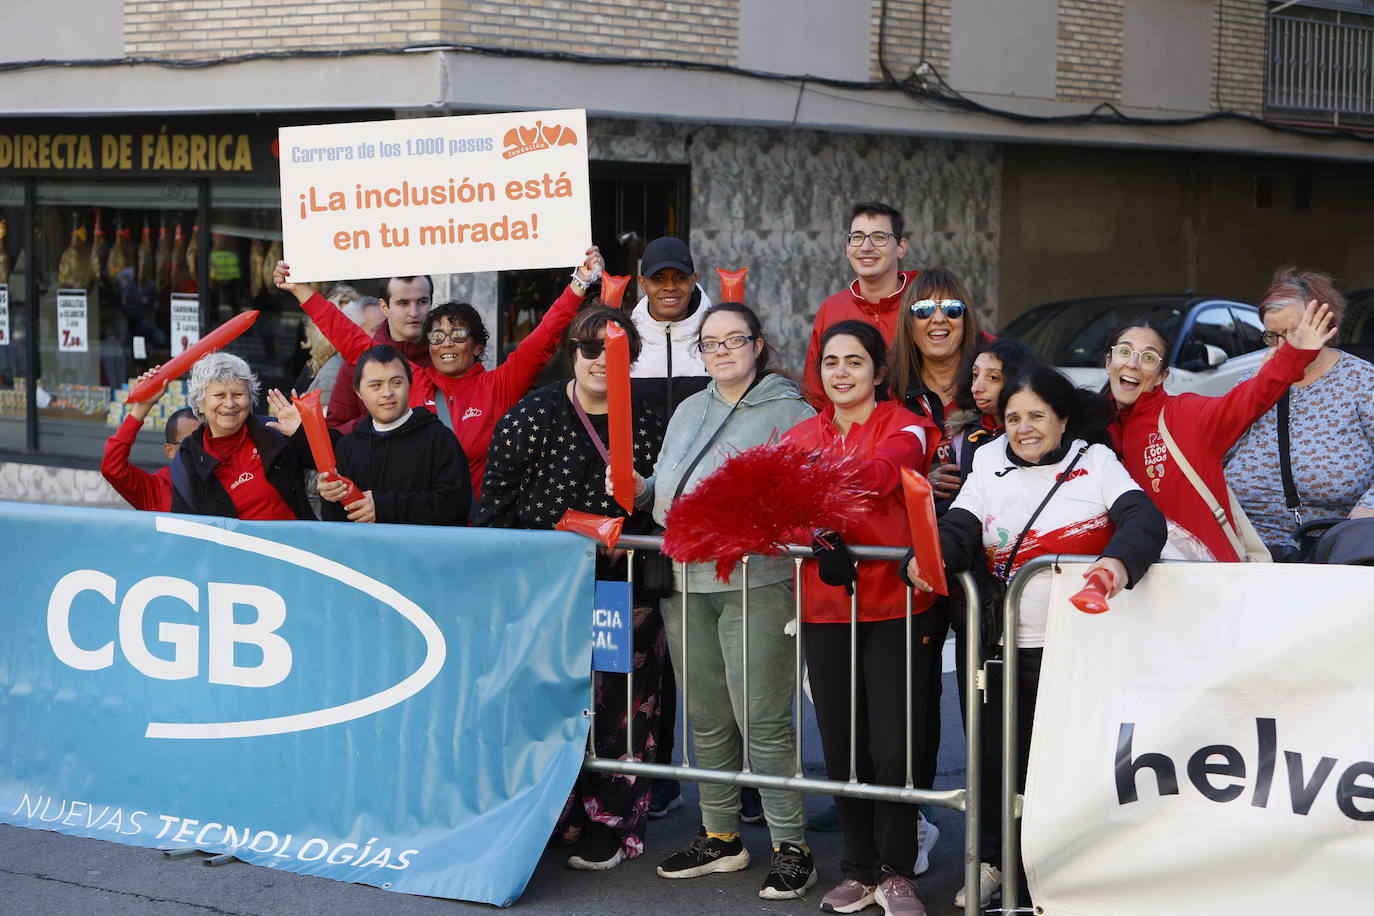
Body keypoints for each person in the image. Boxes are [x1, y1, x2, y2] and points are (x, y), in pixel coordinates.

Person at [904, 366, 1166, 909]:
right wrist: (929, 558)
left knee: (1069, 766)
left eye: (1037, 416)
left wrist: (1116, 565)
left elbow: (1144, 520)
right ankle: (994, 862)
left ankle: (1060, 872)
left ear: (1063, 419)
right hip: (998, 647)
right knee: (994, 764)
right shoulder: (988, 460)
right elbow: (961, 526)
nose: (1023, 429)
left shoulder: (1094, 461)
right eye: (1013, 417)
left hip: (1075, 649)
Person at [623, 302, 818, 901]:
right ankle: (720, 836)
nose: (723, 350)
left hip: (756, 579)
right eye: (711, 343)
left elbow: (807, 495)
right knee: (707, 716)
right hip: (687, 580)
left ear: (759, 345)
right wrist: (640, 488)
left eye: (735, 339)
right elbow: (667, 485)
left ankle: (792, 847)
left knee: (763, 718)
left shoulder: (792, 411)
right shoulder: (689, 407)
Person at [477, 307, 667, 870]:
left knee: (621, 707)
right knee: (547, 701)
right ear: (572, 353)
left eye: (613, 351)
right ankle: (555, 812)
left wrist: (636, 536)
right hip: (545, 589)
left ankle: (613, 821)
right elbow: (495, 507)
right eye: (589, 348)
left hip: (622, 590)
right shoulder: (531, 415)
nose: (599, 361)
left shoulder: (651, 421)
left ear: (632, 359)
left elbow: (672, 503)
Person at [782, 320, 941, 916]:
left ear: (878, 371)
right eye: (831, 362)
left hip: (899, 605)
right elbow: (777, 509)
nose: (842, 372)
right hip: (826, 609)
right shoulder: (800, 434)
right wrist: (814, 534)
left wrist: (813, 492)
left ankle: (898, 871)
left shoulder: (907, 424)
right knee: (844, 747)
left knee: (893, 747)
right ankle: (857, 869)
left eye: (855, 361)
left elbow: (882, 474)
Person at [274, 249, 602, 503]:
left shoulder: (498, 385)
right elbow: (353, 340)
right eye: (436, 335)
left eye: (457, 334)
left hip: (474, 530)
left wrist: (579, 284)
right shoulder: (412, 380)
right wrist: (301, 291)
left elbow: (544, 337)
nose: (446, 342)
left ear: (477, 346)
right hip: (418, 527)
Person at [1106, 298, 1335, 560]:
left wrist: (1295, 354)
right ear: (1108, 361)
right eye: (1124, 352)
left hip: (1204, 574)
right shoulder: (1091, 427)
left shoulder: (1183, 415)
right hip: (1123, 574)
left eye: (1148, 357)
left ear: (1162, 376)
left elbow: (1247, 400)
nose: (1132, 364)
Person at [627, 235, 712, 820]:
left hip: (706, 512)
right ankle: (659, 776)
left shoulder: (718, 333)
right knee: (651, 651)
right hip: (642, 514)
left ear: (692, 277)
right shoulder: (623, 338)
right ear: (643, 283)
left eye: (678, 277)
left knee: (716, 653)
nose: (670, 288)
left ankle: (743, 782)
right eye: (659, 279)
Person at [1225, 268, 1374, 554]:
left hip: (1332, 551)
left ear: (1325, 325)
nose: (1283, 347)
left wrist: (1369, 509)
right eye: (1272, 336)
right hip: (1249, 550)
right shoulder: (1253, 382)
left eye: (1294, 333)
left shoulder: (1362, 382)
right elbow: (1213, 451)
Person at [267, 344, 470, 526]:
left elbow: (455, 506)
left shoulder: (440, 439)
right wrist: (330, 498)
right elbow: (336, 523)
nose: (387, 393)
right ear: (358, 392)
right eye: (376, 385)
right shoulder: (348, 447)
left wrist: (384, 508)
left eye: (396, 383)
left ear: (410, 384)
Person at [169, 352, 314, 520]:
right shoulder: (188, 457)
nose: (230, 403)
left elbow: (326, 463)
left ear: (250, 398)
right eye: (219, 395)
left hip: (292, 537)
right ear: (200, 403)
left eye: (238, 394)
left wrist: (301, 433)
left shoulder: (274, 432)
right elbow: (184, 526)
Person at [803, 201, 916, 410]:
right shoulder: (832, 309)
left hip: (919, 426)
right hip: (847, 428)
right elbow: (815, 394)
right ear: (847, 249)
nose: (866, 247)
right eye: (857, 237)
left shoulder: (923, 302)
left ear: (901, 247)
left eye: (879, 237)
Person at [325, 275, 434, 430]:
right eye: (403, 303)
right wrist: (378, 424)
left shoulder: (446, 357)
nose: (414, 312)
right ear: (384, 307)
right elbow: (335, 429)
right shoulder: (359, 360)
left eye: (422, 302)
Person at [101, 367, 198, 512]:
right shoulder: (156, 488)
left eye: (202, 441)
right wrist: (142, 406)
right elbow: (112, 467)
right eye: (188, 443)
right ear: (169, 450)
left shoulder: (223, 478)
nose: (198, 448)